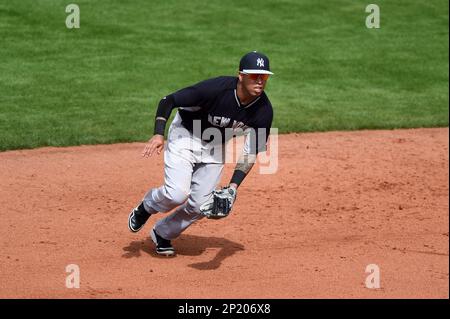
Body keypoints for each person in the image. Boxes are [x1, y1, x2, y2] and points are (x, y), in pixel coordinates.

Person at [128, 51, 274, 256]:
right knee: (176, 193)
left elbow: (251, 152)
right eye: (254, 76)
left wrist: (233, 187)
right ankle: (147, 205)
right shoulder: (215, 90)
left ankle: (163, 233)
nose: (260, 81)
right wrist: (158, 134)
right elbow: (167, 100)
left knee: (201, 206)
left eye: (264, 76)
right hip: (185, 136)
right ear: (241, 75)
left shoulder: (264, 111)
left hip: (215, 147)